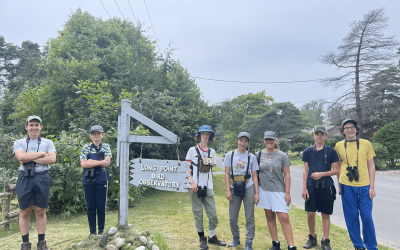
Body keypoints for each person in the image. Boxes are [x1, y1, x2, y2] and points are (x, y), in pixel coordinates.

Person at [14, 116, 56, 250]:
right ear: (26, 126)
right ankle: (25, 244)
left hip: (42, 176)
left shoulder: (48, 142)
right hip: (24, 177)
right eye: (31, 125)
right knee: (24, 211)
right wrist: (42, 154)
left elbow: (52, 160)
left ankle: (41, 243)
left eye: (37, 125)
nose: (34, 127)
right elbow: (20, 157)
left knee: (40, 210)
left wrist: (29, 158)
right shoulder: (19, 142)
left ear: (41, 127)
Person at [335, 119, 377, 250]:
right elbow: (338, 166)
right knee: (351, 217)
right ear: (343, 131)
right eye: (346, 128)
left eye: (352, 127)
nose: (350, 130)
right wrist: (339, 185)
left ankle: (371, 247)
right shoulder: (339, 146)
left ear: (356, 129)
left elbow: (371, 165)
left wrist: (372, 187)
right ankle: (358, 245)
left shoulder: (366, 144)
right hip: (346, 185)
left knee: (366, 217)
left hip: (364, 186)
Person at [185, 125, 226, 250]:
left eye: (208, 134)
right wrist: (191, 182)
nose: (205, 136)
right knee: (198, 214)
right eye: (203, 134)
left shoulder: (212, 152)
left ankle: (212, 236)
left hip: (208, 187)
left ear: (210, 137)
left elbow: (209, 168)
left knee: (213, 214)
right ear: (199, 136)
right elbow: (186, 168)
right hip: (194, 187)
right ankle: (202, 239)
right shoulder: (192, 150)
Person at [256, 131, 296, 250]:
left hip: (278, 190)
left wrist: (287, 193)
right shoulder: (258, 154)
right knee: (269, 216)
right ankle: (275, 243)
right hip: (263, 190)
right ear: (264, 141)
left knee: (283, 217)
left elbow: (287, 175)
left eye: (271, 139)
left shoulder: (282, 155)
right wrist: (256, 193)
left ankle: (291, 246)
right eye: (267, 139)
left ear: (275, 141)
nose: (269, 142)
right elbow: (255, 174)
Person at [301, 126, 339, 250]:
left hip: (326, 185)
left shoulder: (331, 151)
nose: (319, 136)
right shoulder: (308, 151)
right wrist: (304, 188)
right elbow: (305, 170)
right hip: (311, 186)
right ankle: (312, 238)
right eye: (317, 134)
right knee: (310, 213)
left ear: (326, 135)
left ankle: (325, 241)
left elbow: (336, 170)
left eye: (322, 134)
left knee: (325, 213)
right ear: (313, 135)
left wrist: (321, 174)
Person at [224, 132, 259, 250]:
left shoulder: (251, 157)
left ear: (248, 143)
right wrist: (228, 190)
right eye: (241, 140)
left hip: (248, 186)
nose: (242, 143)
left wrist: (257, 193)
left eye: (245, 141)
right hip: (234, 186)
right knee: (232, 217)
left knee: (250, 216)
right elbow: (227, 173)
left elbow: (255, 176)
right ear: (237, 141)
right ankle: (236, 238)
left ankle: (249, 241)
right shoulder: (230, 155)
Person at [80, 125, 112, 235]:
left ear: (102, 135)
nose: (96, 135)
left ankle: (101, 232)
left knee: (101, 206)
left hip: (102, 179)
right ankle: (92, 233)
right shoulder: (85, 147)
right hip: (88, 180)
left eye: (99, 133)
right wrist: (99, 162)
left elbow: (107, 162)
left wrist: (90, 161)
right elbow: (83, 164)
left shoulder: (106, 147)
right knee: (91, 207)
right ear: (91, 135)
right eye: (94, 133)